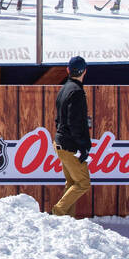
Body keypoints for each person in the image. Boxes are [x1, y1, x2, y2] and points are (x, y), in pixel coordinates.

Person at [52, 56, 92, 217]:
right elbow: (74, 122)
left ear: (68, 70)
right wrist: (82, 146)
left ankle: (67, 220)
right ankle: (59, 211)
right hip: (70, 146)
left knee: (72, 183)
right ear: (85, 72)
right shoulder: (76, 92)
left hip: (60, 142)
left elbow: (59, 119)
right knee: (83, 183)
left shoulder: (64, 89)